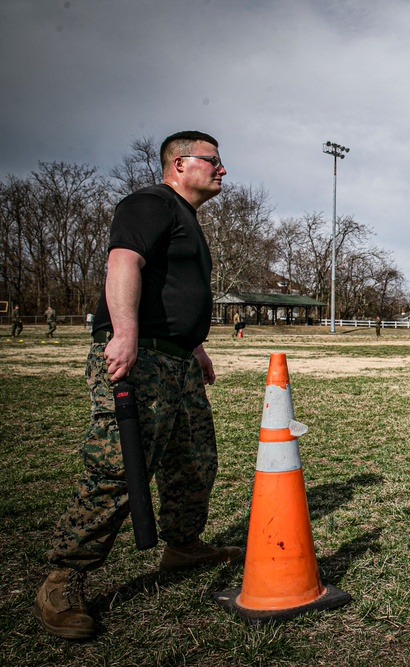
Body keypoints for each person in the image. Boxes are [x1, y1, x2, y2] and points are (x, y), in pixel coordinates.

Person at [33, 131, 242, 640]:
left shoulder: (186, 219)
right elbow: (124, 263)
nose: (222, 170)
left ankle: (183, 543)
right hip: (141, 357)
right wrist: (124, 334)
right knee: (119, 467)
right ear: (177, 164)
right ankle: (64, 577)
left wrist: (194, 346)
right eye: (213, 161)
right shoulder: (151, 203)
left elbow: (171, 292)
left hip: (176, 360)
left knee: (193, 458)